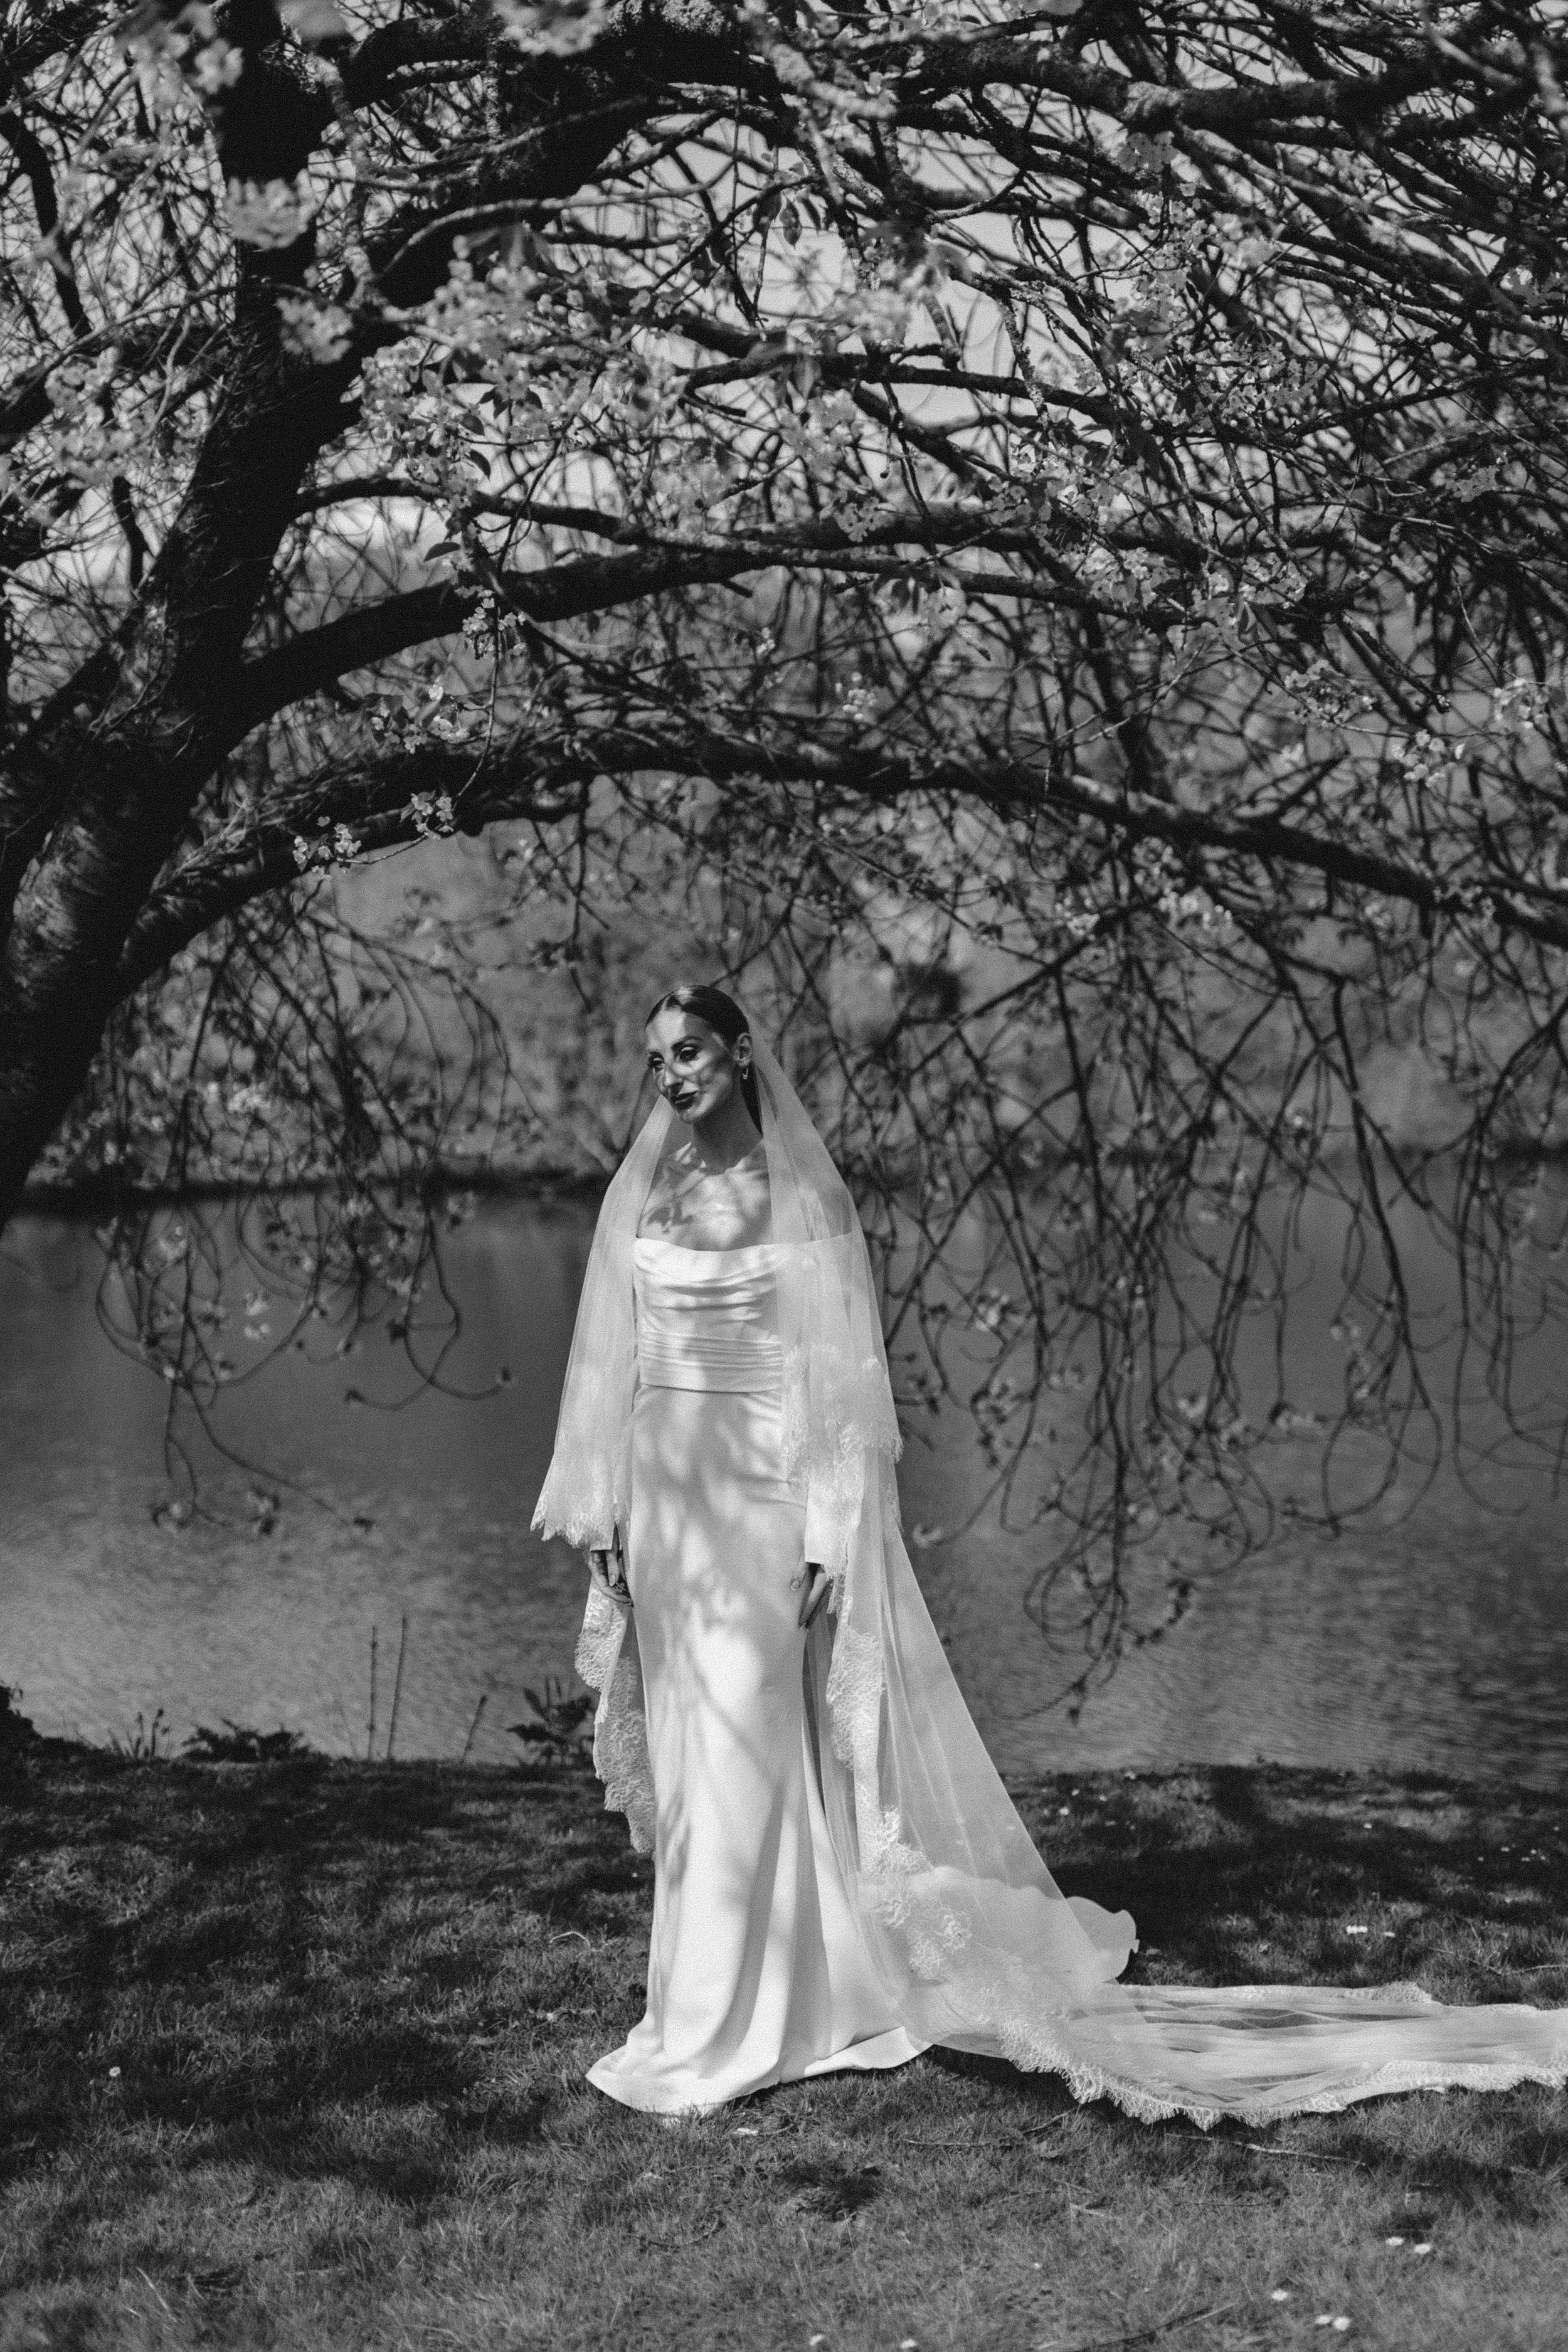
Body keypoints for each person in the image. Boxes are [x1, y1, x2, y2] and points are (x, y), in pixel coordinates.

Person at [534, 985, 1568, 2121]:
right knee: (696, 1749)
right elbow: (607, 1366)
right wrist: (605, 1515)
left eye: (690, 1051)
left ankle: (738, 2019)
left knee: (754, 1738)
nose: (673, 1075)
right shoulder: (650, 1190)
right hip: (668, 1500)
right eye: (658, 1060)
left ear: (740, 1053)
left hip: (763, 1497)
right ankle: (725, 1999)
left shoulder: (804, 1199)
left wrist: (830, 1529)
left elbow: (839, 1380)